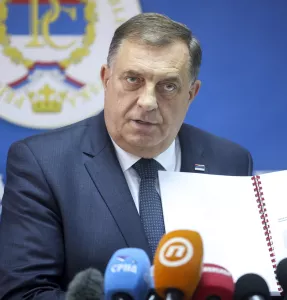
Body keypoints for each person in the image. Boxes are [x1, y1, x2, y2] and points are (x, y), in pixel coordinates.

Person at [0, 13, 253, 299]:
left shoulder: (230, 163)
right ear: (106, 79)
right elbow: (24, 293)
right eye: (133, 79)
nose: (147, 102)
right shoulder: (43, 164)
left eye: (168, 86)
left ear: (192, 93)